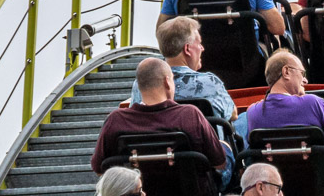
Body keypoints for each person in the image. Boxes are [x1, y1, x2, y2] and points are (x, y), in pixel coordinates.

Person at [91, 57, 232, 185]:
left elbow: (99, 168)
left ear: (139, 86)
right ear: (167, 82)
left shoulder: (116, 120)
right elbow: (220, 162)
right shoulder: (190, 115)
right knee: (226, 145)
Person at [127, 16, 236, 121]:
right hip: (202, 140)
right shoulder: (209, 83)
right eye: (199, 43)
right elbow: (232, 114)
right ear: (187, 49)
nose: (202, 48)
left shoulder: (142, 84)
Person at [240, 51, 324, 152]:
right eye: (302, 73)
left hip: (273, 172)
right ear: (286, 72)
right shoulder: (313, 103)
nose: (305, 80)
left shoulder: (252, 112)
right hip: (315, 171)